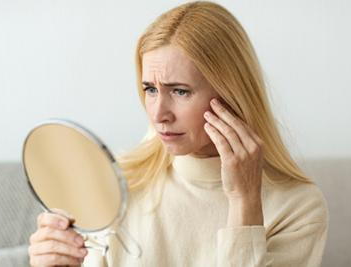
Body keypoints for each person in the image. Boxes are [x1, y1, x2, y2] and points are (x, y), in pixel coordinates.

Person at [28, 1, 329, 266]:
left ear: (232, 94)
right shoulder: (117, 184)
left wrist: (243, 203)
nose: (159, 114)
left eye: (181, 91)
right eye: (150, 89)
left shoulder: (299, 208)